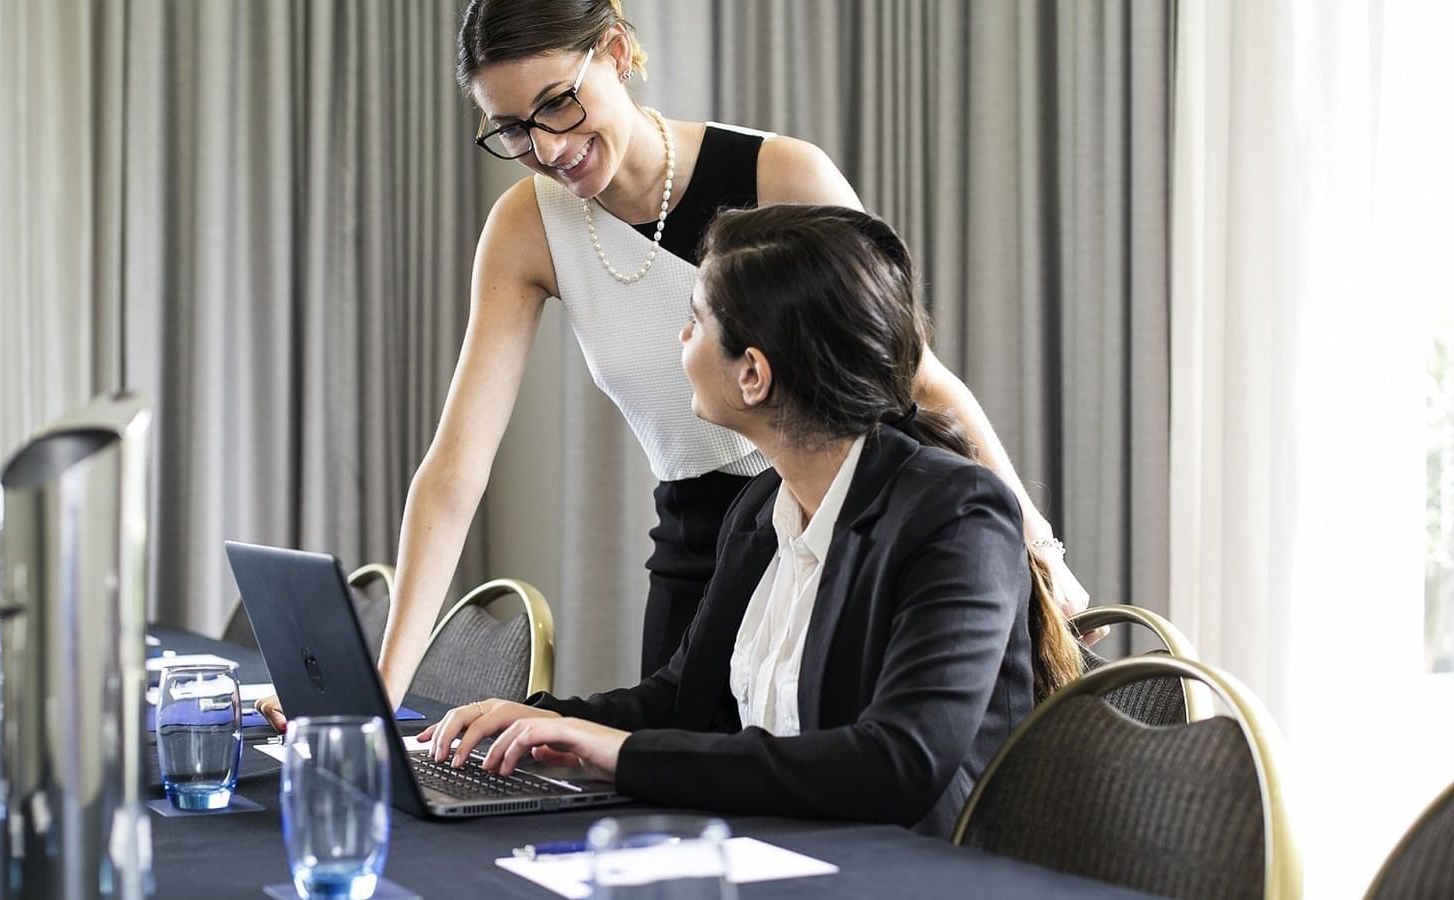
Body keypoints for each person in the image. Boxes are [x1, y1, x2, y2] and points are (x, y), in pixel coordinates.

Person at [258, 0, 1089, 730]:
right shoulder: (526, 228)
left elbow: (918, 379)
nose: (546, 148)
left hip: (847, 532)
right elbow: (455, 468)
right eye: (512, 129)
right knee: (671, 798)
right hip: (704, 549)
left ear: (615, 52)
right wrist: (378, 691)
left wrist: (1037, 551)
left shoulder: (777, 173)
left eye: (557, 104)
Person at [416, 204, 1083, 833]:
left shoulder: (956, 517)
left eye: (695, 321)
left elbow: (897, 764)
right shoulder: (761, 506)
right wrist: (537, 721)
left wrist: (621, 754)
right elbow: (683, 698)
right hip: (778, 854)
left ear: (753, 376)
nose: (681, 338)